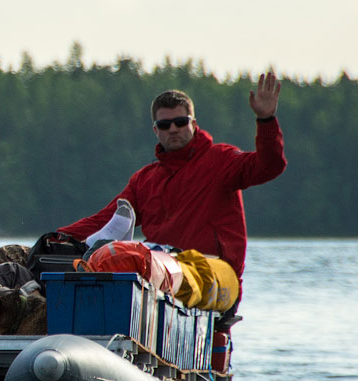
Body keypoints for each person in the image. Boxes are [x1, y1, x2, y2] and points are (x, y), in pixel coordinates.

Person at [58, 70, 286, 292]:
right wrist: (57, 237)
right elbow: (106, 221)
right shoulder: (144, 179)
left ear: (194, 124)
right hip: (162, 270)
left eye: (180, 122)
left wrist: (266, 120)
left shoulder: (221, 160)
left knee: (138, 259)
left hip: (213, 273)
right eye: (165, 125)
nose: (173, 129)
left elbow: (270, 166)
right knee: (119, 259)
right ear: (155, 130)